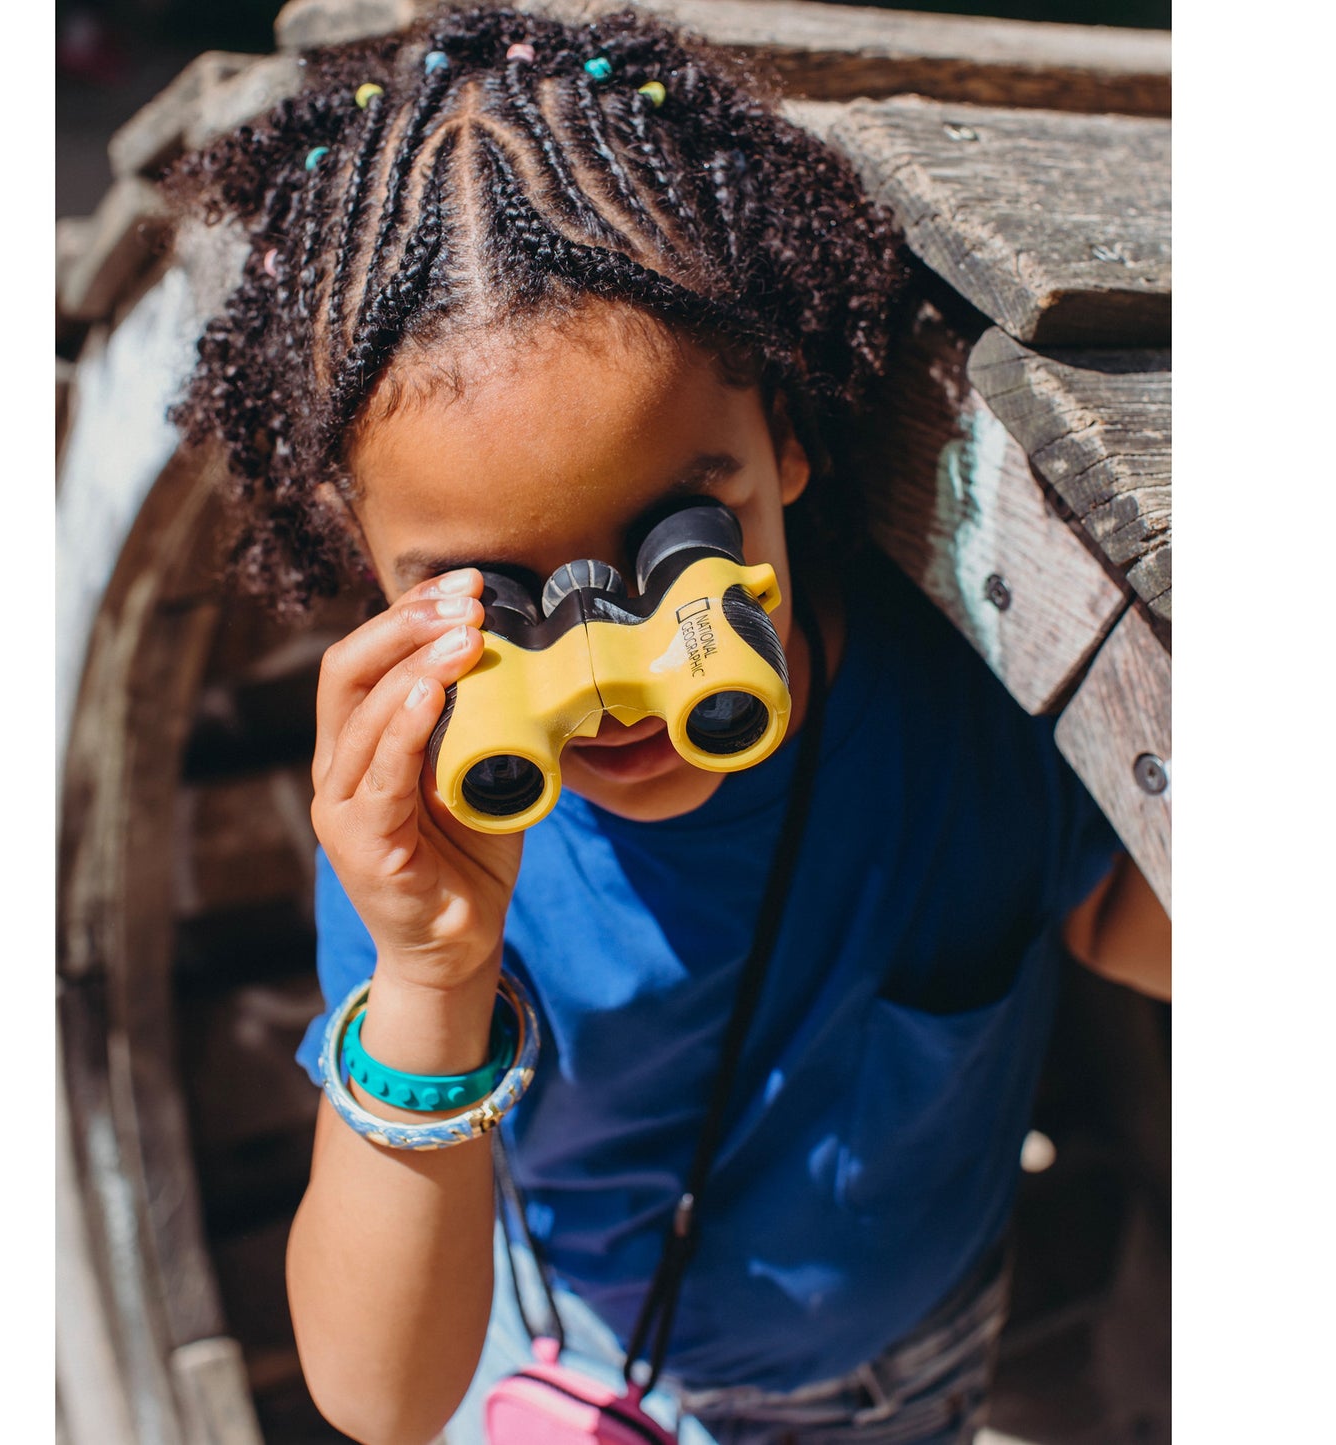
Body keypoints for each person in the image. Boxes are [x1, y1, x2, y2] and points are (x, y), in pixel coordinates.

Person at [165, 6, 1171, 1442]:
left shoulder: (961, 710)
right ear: (365, 561)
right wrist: (430, 966)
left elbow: (1118, 915)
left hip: (913, 1363)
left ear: (786, 438)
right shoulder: (424, 846)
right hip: (571, 1364)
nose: (606, 667)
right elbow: (384, 1399)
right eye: (487, 593)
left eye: (674, 543)